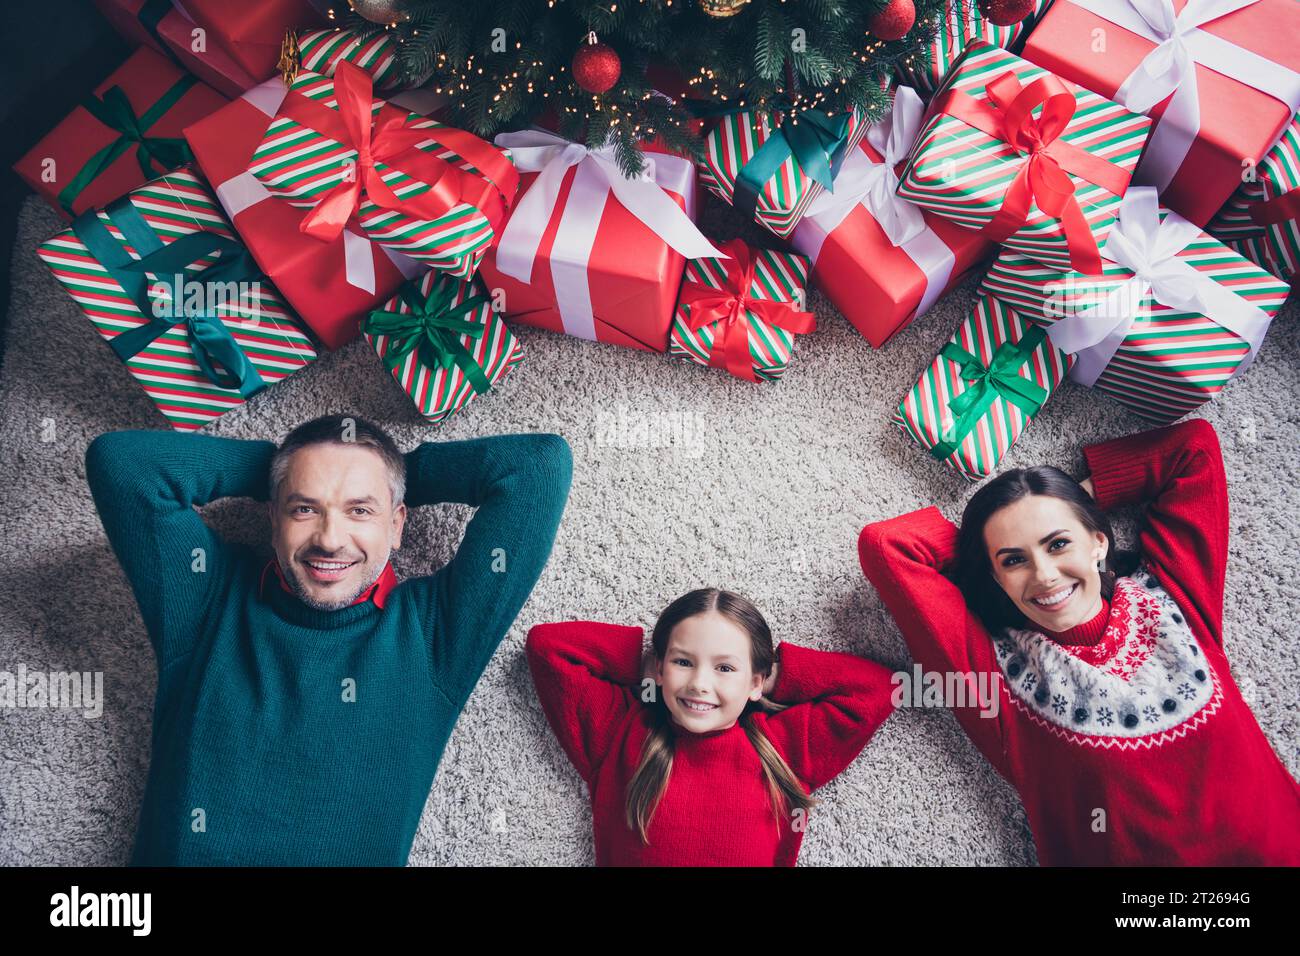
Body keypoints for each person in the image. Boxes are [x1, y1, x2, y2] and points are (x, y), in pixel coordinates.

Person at [84, 414, 572, 865]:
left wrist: (392, 469)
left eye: (360, 510)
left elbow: (538, 467)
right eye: (304, 509)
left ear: (397, 524)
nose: (330, 538)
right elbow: (125, 466)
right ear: (272, 519)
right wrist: (284, 466)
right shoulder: (206, 599)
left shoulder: (436, 634)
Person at [857, 417, 1300, 865]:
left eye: (1058, 544)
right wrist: (986, 547)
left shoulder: (1174, 595)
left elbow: (1193, 448)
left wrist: (1071, 500)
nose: (1044, 575)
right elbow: (887, 545)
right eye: (1014, 560)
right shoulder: (995, 681)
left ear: (1099, 543)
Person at [525, 588, 896, 865]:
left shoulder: (781, 747)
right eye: (684, 662)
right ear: (660, 665)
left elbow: (877, 689)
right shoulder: (621, 731)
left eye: (724, 668)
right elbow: (549, 648)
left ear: (754, 682)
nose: (700, 683)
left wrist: (769, 678)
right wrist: (648, 667)